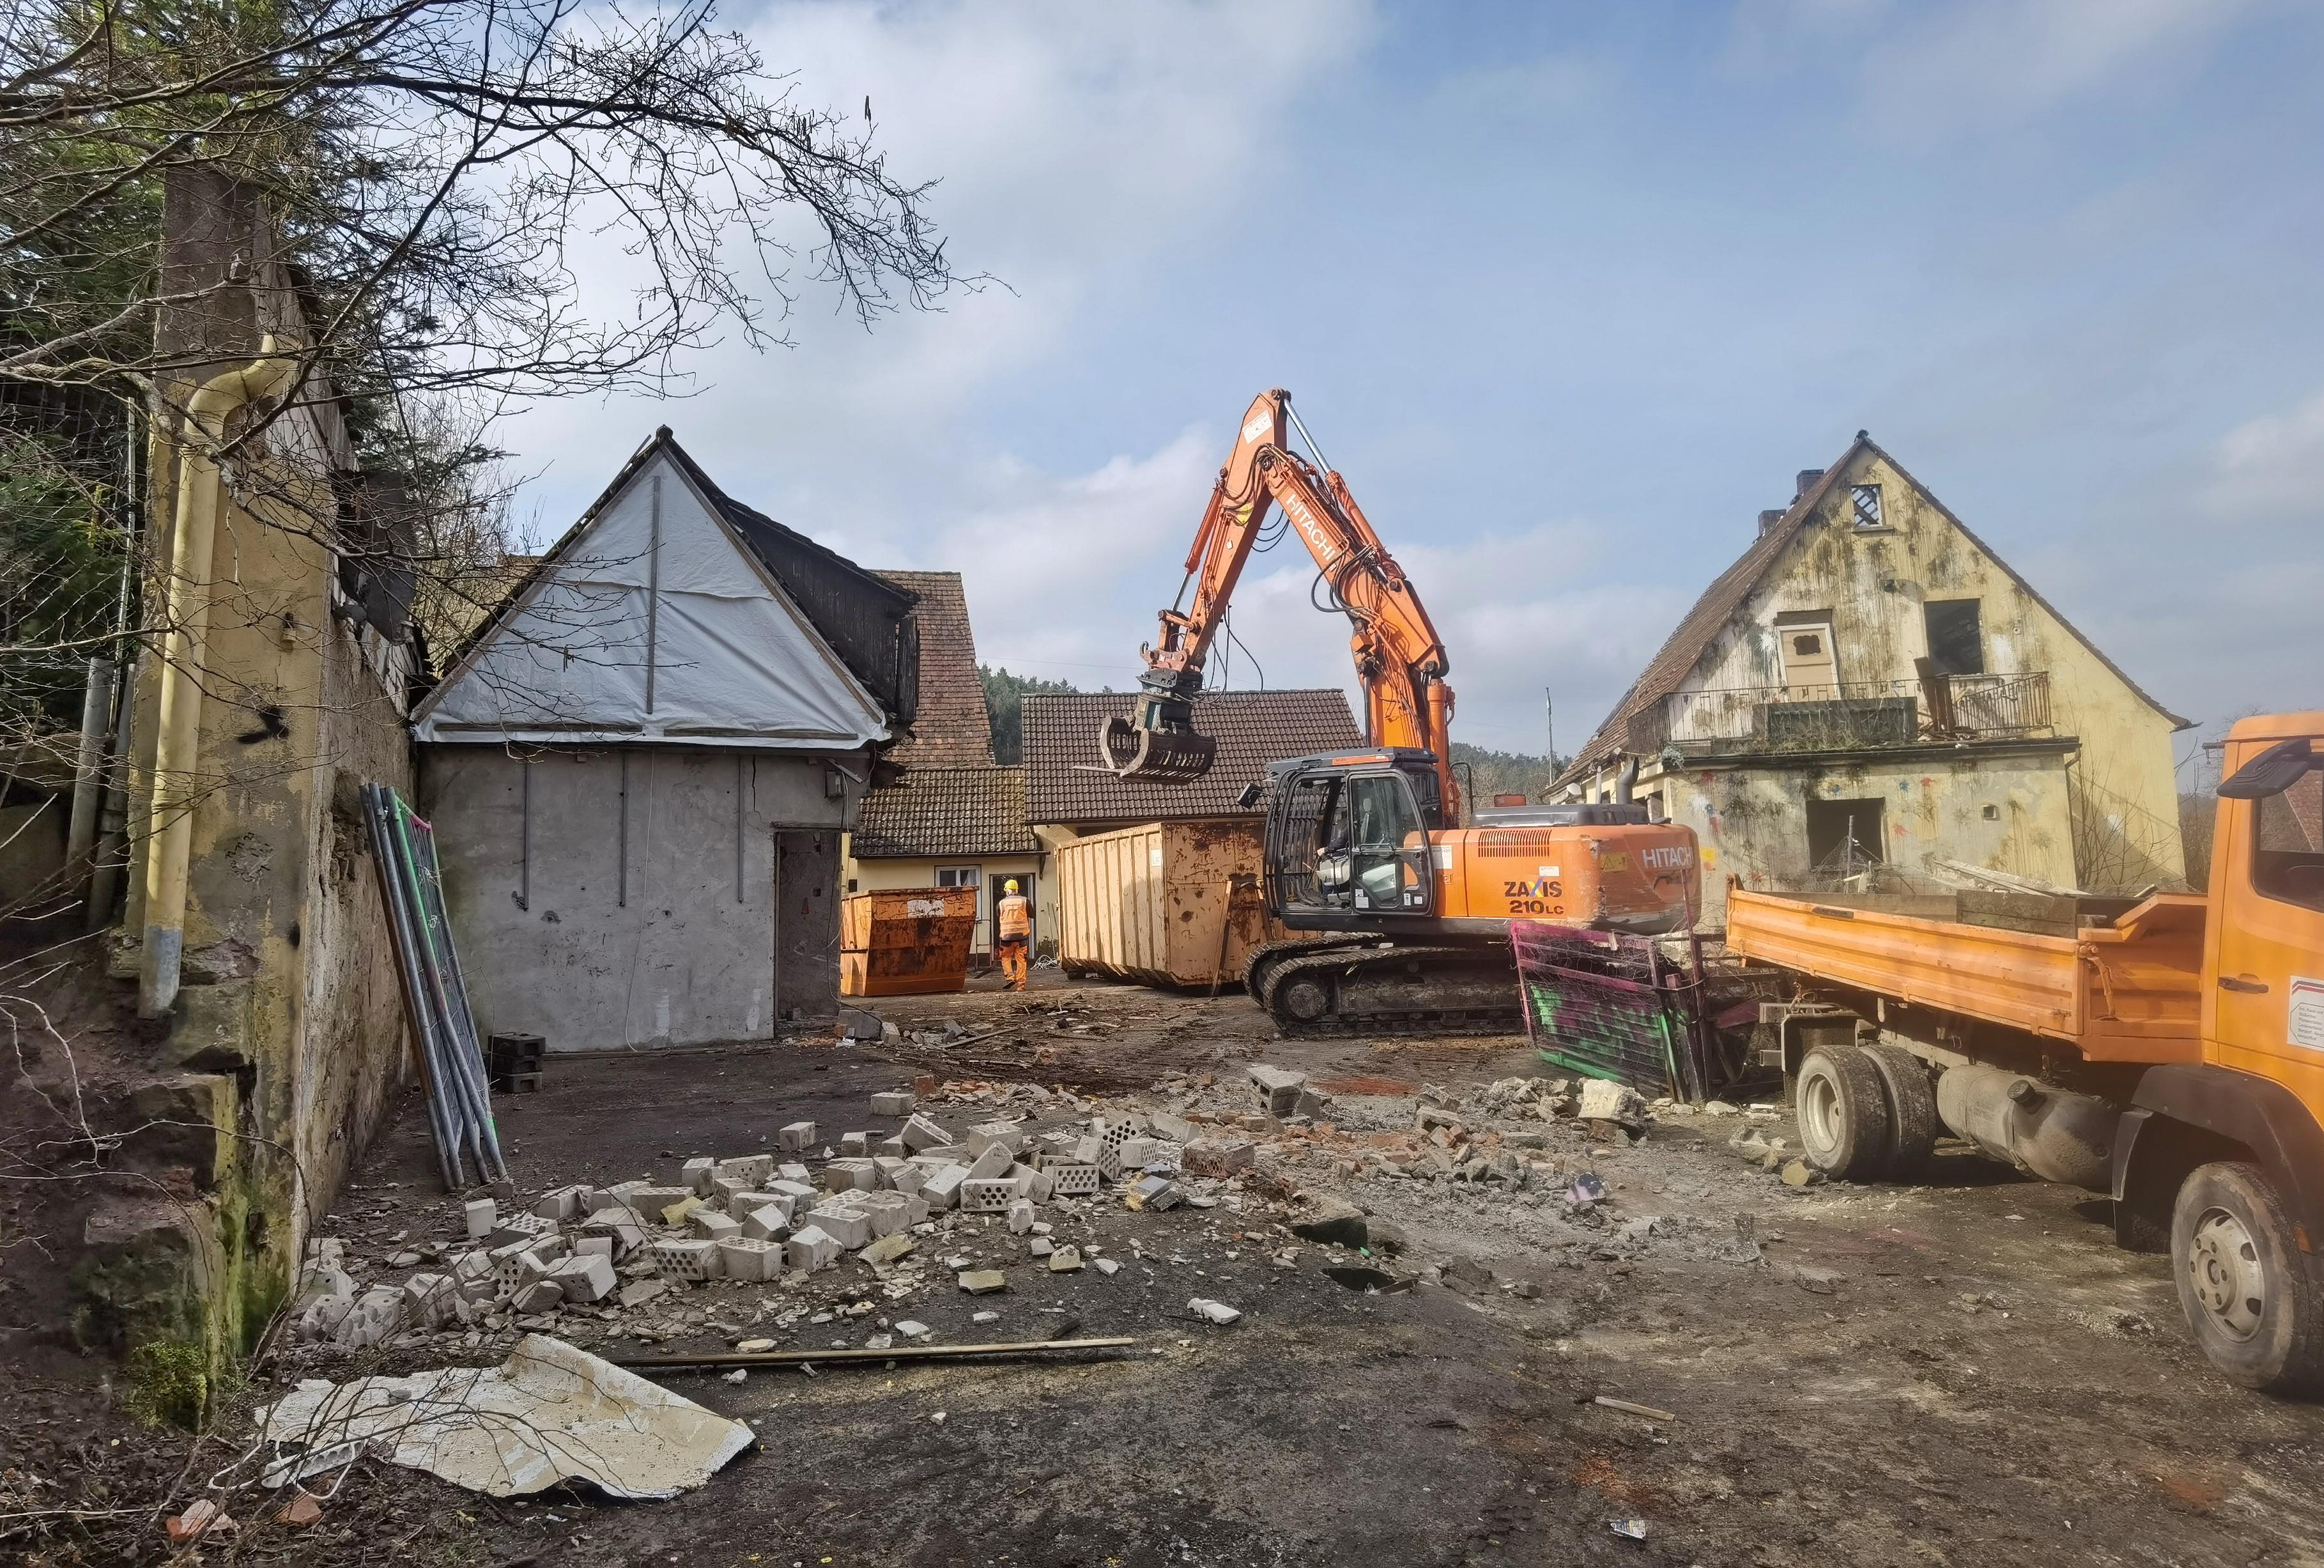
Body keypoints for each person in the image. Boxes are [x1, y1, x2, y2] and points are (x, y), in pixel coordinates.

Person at [994, 878, 1031, 991]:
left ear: (1007, 890)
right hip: (1022, 937)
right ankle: (1021, 985)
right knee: (1021, 960)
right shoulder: (1024, 901)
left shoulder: (1001, 903)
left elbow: (998, 916)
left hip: (1006, 938)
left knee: (1005, 957)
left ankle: (1010, 977)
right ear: (1017, 889)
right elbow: (1032, 914)